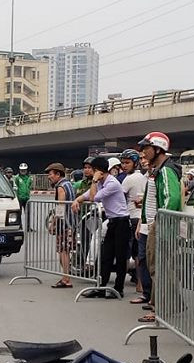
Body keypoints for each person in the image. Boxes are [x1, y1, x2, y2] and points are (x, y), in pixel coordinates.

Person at [136, 131, 183, 322]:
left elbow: (172, 198)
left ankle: (162, 309)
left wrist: (157, 222)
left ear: (158, 149)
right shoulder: (157, 170)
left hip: (161, 228)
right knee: (158, 267)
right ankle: (164, 305)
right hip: (154, 226)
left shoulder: (165, 171)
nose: (143, 152)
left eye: (146, 148)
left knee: (160, 268)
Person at [72, 156, 130, 298]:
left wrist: (94, 180)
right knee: (106, 256)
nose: (89, 172)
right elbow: (86, 195)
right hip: (112, 222)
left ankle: (118, 288)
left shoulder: (112, 183)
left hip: (122, 222)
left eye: (92, 169)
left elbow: (93, 198)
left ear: (99, 171)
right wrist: (76, 201)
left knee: (120, 257)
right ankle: (101, 287)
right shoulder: (100, 182)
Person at [120, 149, 147, 294]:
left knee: (132, 252)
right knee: (138, 253)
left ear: (135, 163)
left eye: (127, 163)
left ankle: (139, 284)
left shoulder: (129, 179)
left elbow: (119, 196)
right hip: (139, 217)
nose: (124, 166)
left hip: (133, 218)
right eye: (123, 163)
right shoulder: (142, 177)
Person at [47, 163, 76, 289]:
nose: (49, 177)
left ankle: (66, 279)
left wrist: (53, 223)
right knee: (65, 251)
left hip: (65, 224)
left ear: (58, 174)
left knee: (63, 251)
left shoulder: (61, 186)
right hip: (71, 222)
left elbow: (60, 206)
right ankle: (66, 277)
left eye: (50, 174)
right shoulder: (69, 184)